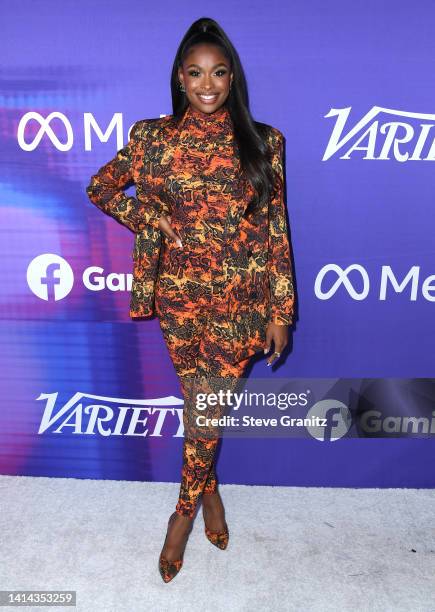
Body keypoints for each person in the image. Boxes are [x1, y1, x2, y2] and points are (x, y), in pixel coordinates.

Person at [86, 17, 295, 583]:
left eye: (219, 72)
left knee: (205, 410)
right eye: (196, 72)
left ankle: (182, 514)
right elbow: (100, 187)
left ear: (232, 78)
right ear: (180, 78)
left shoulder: (264, 141)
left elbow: (277, 230)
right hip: (180, 296)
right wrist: (151, 218)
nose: (208, 84)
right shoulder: (153, 139)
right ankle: (212, 495)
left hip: (242, 302)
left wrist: (282, 312)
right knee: (200, 409)